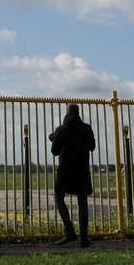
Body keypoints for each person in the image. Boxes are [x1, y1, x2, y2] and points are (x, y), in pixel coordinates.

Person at [49, 104, 96, 247]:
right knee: (82, 201)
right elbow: (92, 147)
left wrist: (55, 137)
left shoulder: (61, 130)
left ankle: (70, 232)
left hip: (65, 170)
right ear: (78, 113)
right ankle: (84, 238)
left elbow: (55, 151)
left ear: (67, 113)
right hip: (82, 169)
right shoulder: (86, 128)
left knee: (58, 197)